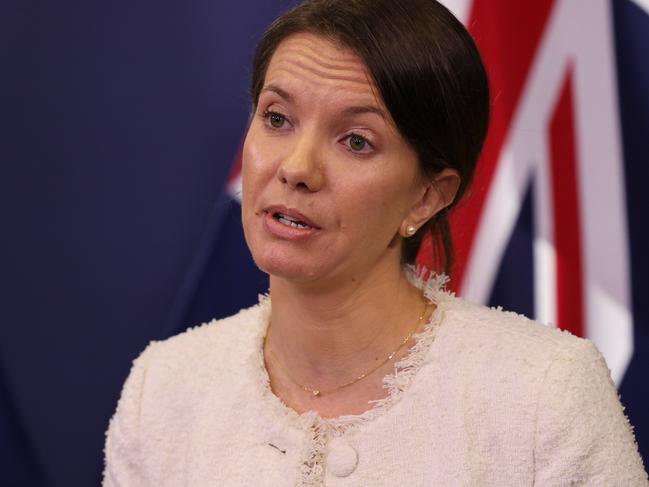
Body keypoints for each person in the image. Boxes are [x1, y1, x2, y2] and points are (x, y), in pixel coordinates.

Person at [103, 0, 648, 485]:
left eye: (357, 141)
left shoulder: (544, 395)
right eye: (277, 118)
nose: (296, 168)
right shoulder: (165, 387)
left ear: (428, 198)